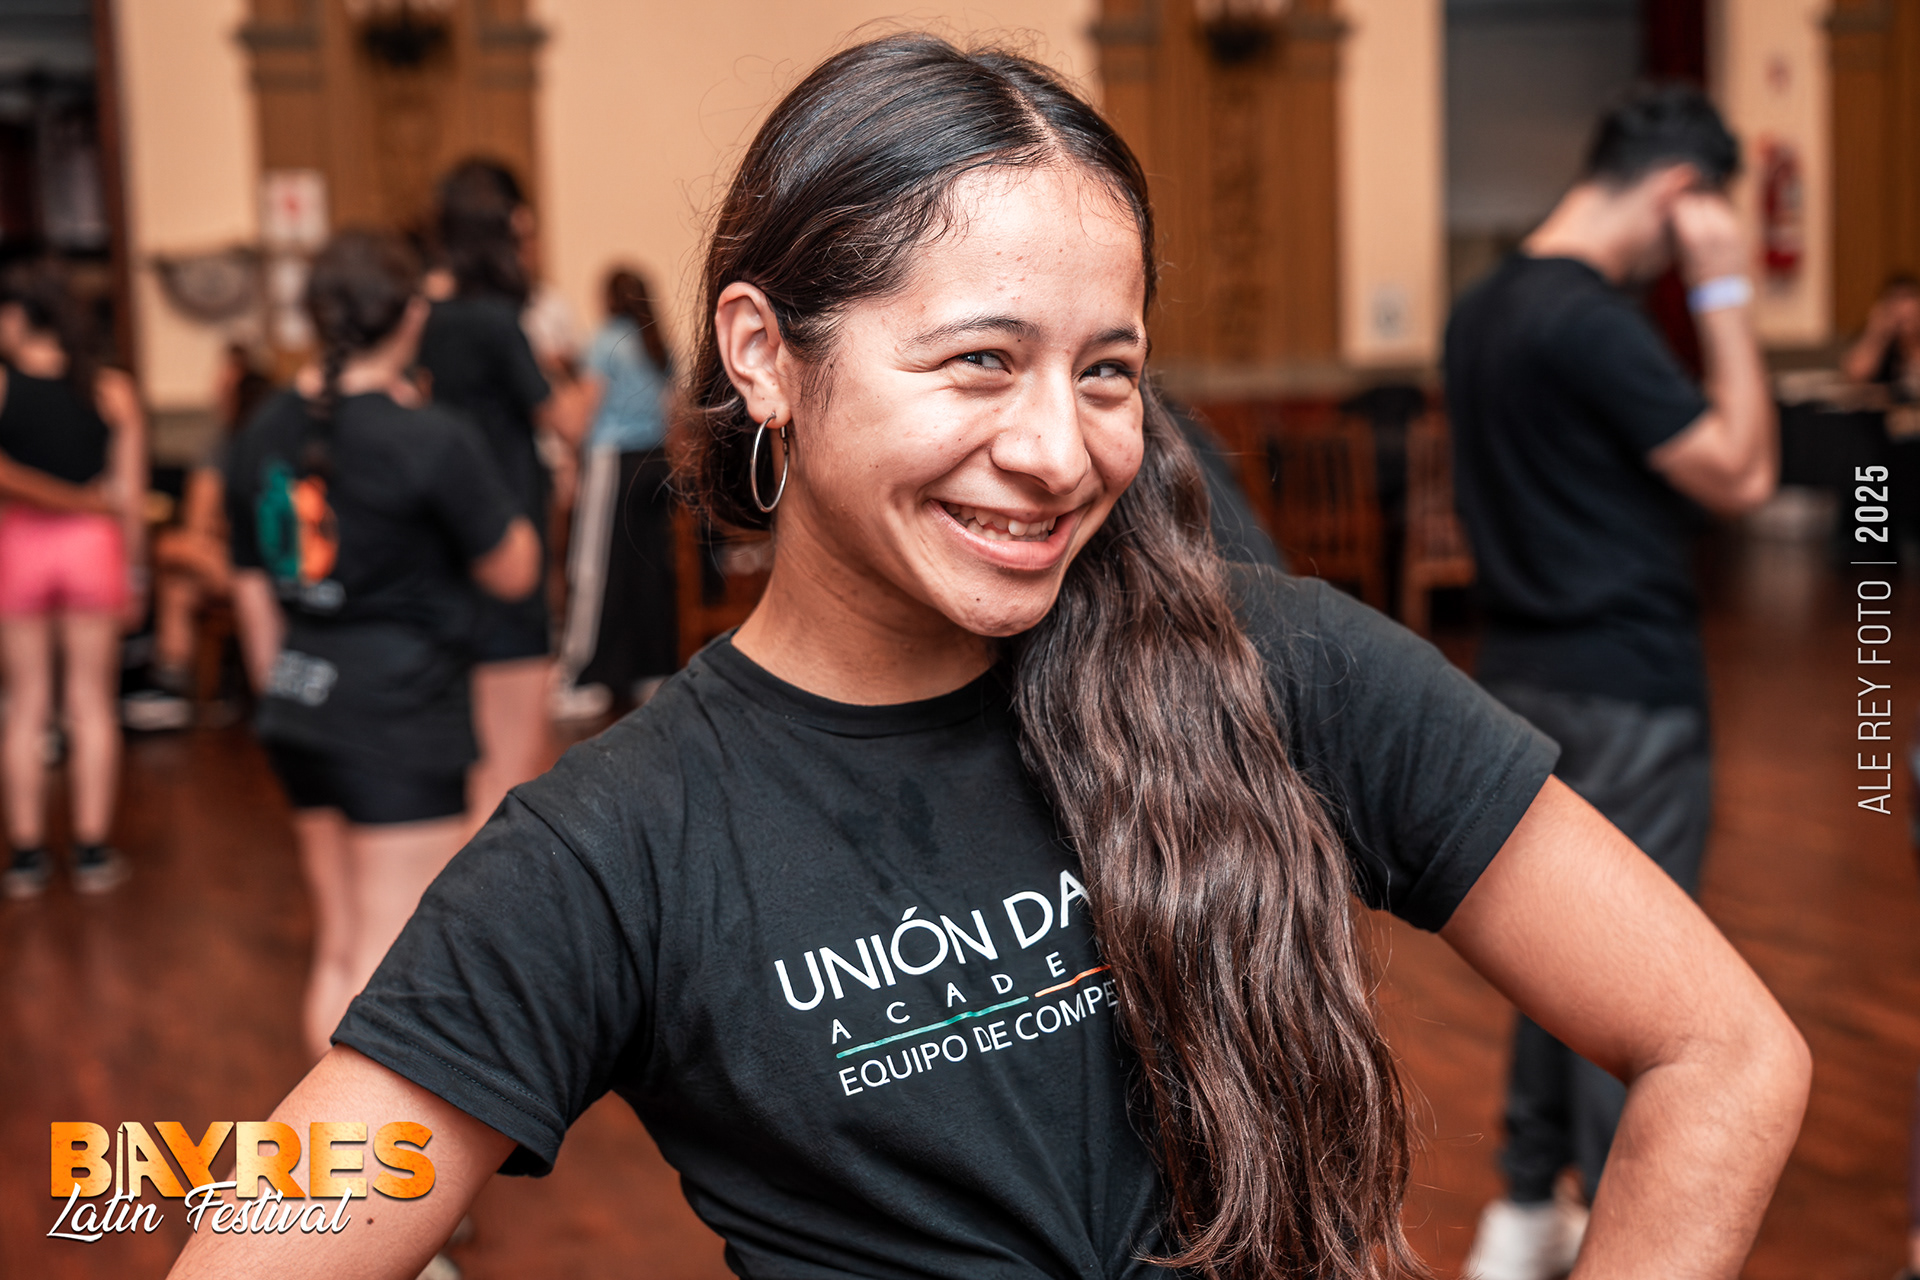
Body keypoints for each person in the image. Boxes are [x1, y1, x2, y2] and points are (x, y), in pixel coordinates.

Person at [169, 38, 1808, 1280]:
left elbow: (1725, 1054)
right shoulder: (618, 846)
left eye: (1107, 372)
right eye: (977, 361)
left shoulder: (1286, 669)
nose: (1057, 449)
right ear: (765, 355)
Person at [1445, 86, 1780, 1279]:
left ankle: (1525, 1207)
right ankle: (1609, 1230)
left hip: (1516, 679)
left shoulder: (1482, 307)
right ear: (1683, 195)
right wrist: (1726, 291)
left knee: (1557, 954)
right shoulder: (1590, 319)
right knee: (1637, 983)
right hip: (1629, 686)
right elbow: (1743, 472)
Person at [223, 231, 540, 1063]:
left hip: (300, 706)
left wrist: (283, 691)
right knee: (392, 964)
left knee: (340, 946)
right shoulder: (428, 436)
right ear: (411, 316)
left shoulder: (263, 426)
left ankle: (339, 1147)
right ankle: (367, 1154)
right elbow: (514, 570)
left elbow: (251, 581)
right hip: (395, 716)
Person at [417, 159, 565, 835]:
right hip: (506, 536)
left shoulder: (422, 316)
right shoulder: (496, 322)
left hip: (443, 542)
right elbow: (563, 419)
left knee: (469, 760)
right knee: (511, 770)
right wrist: (586, 379)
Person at [0, 260, 147, 899]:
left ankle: (26, 856)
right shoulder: (112, 389)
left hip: (16, 546)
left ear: (18, 315)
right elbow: (129, 497)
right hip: (94, 548)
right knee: (91, 704)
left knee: (25, 704)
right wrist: (135, 572)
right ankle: (91, 852)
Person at [551, 266, 679, 720]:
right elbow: (673, 410)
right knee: (649, 571)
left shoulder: (607, 341)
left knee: (595, 571)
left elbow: (580, 417)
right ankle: (652, 670)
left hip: (614, 464)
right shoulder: (659, 343)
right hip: (658, 464)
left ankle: (583, 677)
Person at [147, 344, 273, 702]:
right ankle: (177, 684)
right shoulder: (229, 447)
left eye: (227, 386)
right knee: (177, 575)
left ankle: (172, 685)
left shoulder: (231, 450)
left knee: (172, 559)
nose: (218, 392)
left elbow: (199, 523)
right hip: (247, 561)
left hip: (256, 566)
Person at [1841, 271, 1919, 393]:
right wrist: (1876, 333)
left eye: (1908, 298)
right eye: (1895, 299)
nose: (1902, 309)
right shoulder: (1884, 345)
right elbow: (1855, 375)